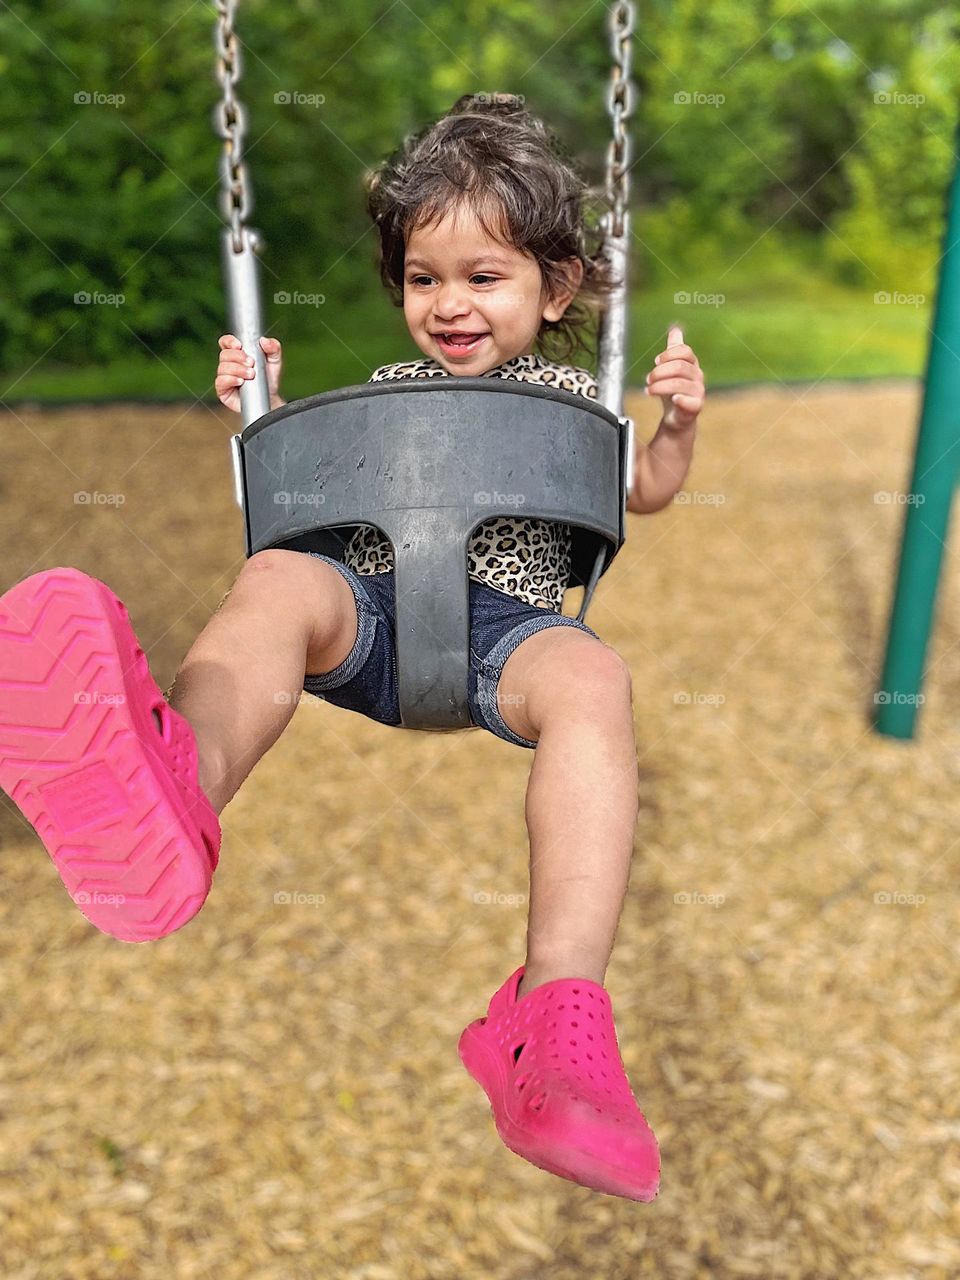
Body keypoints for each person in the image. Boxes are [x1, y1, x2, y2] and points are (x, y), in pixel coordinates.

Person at [0, 95, 704, 1202]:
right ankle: (176, 786)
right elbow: (299, 501)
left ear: (557, 288)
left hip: (507, 634)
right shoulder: (387, 395)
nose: (448, 304)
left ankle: (555, 1020)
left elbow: (647, 493)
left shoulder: (576, 399)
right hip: (370, 602)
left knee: (595, 675)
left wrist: (677, 429)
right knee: (277, 577)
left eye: (484, 276)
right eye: (424, 279)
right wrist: (259, 407)